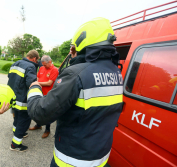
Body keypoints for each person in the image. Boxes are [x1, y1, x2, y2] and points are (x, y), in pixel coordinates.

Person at [26, 17, 123, 167]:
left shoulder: (76, 74)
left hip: (72, 160)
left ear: (81, 45)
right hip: (100, 158)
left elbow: (40, 113)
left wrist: (34, 88)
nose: (71, 53)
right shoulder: (116, 73)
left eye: (72, 48)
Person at [8, 50, 39, 152]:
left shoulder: (15, 63)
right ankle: (15, 145)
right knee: (24, 120)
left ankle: (16, 132)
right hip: (22, 99)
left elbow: (10, 77)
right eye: (37, 60)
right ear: (34, 58)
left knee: (16, 116)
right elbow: (31, 83)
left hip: (12, 96)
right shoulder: (31, 67)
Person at [29, 55, 59, 138]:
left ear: (50, 61)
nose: (43, 66)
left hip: (48, 95)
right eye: (42, 64)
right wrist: (38, 84)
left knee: (47, 112)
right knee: (38, 109)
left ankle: (47, 130)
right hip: (40, 93)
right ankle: (38, 125)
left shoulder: (54, 70)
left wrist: (37, 84)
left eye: (45, 64)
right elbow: (38, 78)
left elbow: (49, 83)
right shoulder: (41, 68)